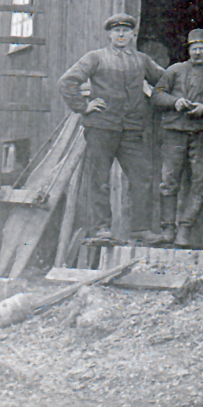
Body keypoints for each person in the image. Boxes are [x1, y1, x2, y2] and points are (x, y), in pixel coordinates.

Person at [58, 13, 165, 241]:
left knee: (142, 177)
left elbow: (165, 80)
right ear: (109, 34)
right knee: (100, 179)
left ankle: (140, 229)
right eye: (116, 31)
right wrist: (83, 106)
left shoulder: (142, 60)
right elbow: (67, 81)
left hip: (131, 130)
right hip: (101, 127)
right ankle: (101, 228)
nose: (121, 35)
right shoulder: (95, 58)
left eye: (126, 31)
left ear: (133, 35)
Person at [150, 29, 203, 246]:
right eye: (193, 48)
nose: (197, 52)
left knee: (201, 184)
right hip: (173, 133)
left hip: (201, 134)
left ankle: (185, 229)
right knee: (168, 182)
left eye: (202, 48)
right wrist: (175, 102)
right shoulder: (174, 70)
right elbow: (157, 95)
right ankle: (168, 229)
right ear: (188, 50)